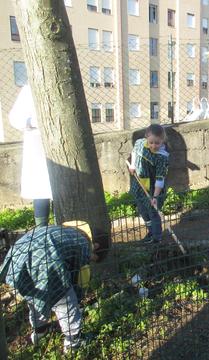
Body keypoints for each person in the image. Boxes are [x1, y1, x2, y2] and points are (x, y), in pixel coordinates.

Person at [0, 221, 98, 352]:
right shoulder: (83, 245)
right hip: (45, 264)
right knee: (66, 301)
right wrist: (78, 298)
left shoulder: (61, 230)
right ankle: (74, 342)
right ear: (95, 245)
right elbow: (77, 277)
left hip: (17, 259)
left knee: (34, 298)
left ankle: (39, 332)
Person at [9, 84, 52, 226]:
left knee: (60, 191)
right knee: (41, 191)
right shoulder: (29, 89)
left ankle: (61, 231)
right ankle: (41, 231)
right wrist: (32, 122)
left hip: (58, 143)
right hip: (36, 146)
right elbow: (14, 118)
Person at [128, 124, 169, 244]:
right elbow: (134, 152)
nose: (154, 146)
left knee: (153, 212)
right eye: (151, 142)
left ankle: (157, 238)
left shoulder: (162, 157)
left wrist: (155, 196)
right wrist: (133, 165)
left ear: (162, 141)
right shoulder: (140, 143)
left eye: (157, 143)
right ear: (146, 137)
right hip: (139, 184)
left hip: (153, 188)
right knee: (143, 210)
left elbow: (160, 179)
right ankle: (150, 231)